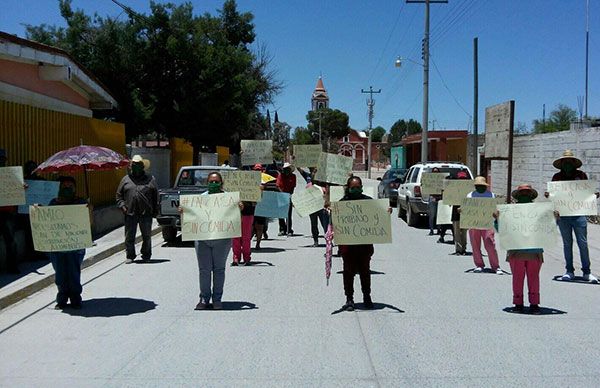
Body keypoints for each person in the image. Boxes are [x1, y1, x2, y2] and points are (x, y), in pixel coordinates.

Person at [546, 150, 599, 282]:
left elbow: (586, 192)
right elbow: (554, 197)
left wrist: (593, 195)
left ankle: (587, 272)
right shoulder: (556, 178)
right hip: (563, 216)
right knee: (567, 243)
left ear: (574, 164)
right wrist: (549, 195)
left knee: (583, 243)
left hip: (579, 214)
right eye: (565, 162)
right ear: (562, 164)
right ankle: (569, 270)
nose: (567, 164)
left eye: (570, 162)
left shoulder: (581, 176)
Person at [190, 172, 238, 310]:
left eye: (216, 181)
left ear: (221, 183)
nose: (213, 184)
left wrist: (238, 208)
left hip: (222, 240)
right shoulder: (201, 199)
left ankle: (217, 299)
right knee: (204, 270)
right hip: (203, 239)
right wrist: (184, 211)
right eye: (211, 181)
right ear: (207, 183)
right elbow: (193, 215)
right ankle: (204, 298)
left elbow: (234, 218)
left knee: (219, 269)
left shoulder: (228, 199)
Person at [494, 184, 545, 313]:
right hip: (516, 250)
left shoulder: (539, 211)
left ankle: (534, 304)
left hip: (534, 250)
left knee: (534, 278)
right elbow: (501, 229)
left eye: (527, 193)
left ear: (531, 195)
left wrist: (554, 218)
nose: (524, 195)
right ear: (518, 196)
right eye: (522, 193)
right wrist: (497, 219)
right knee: (517, 278)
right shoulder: (509, 211)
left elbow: (547, 228)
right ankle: (518, 303)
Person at [46, 176, 88, 309]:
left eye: (70, 186)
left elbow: (88, 223)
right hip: (57, 247)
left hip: (75, 246)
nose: (67, 189)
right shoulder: (53, 203)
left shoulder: (81, 202)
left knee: (74, 272)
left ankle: (76, 297)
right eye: (64, 186)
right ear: (59, 189)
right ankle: (62, 298)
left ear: (75, 188)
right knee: (60, 272)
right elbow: (46, 220)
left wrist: (90, 209)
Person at [338, 176, 376, 311]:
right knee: (348, 272)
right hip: (348, 246)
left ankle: (367, 297)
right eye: (353, 187)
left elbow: (378, 216)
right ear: (348, 188)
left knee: (365, 271)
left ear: (362, 188)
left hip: (364, 245)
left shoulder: (368, 202)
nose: (356, 190)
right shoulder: (342, 203)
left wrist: (386, 211)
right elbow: (336, 222)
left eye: (358, 187)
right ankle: (349, 299)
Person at [116, 155, 158, 264]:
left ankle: (146, 254)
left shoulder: (150, 179)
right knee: (129, 236)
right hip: (130, 213)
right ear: (131, 166)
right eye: (134, 165)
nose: (136, 167)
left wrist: (155, 211)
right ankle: (130, 255)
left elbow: (155, 196)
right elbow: (118, 196)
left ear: (143, 166)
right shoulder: (125, 179)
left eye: (138, 165)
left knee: (147, 236)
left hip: (146, 213)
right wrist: (122, 206)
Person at [467, 176, 502, 274]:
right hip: (474, 224)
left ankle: (495, 266)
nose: (480, 187)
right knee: (475, 246)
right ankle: (479, 265)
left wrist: (496, 214)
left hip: (487, 224)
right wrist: (462, 210)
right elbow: (466, 208)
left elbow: (496, 208)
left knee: (490, 245)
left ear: (485, 186)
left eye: (482, 186)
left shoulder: (491, 195)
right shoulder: (470, 195)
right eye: (478, 186)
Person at [0, 148, 21, 274]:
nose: (1, 162)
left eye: (2, 160)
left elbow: (19, 190)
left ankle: (12, 266)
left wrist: (22, 188)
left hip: (8, 213)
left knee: (11, 241)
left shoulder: (12, 175)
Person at [298, 167, 330, 247]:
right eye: (313, 177)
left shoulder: (324, 187)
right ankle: (315, 241)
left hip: (322, 208)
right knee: (314, 225)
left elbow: (327, 196)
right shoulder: (309, 186)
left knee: (325, 225)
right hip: (312, 208)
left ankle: (329, 240)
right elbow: (305, 197)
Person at [232, 199, 255, 266]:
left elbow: (258, 195)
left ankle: (247, 257)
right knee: (235, 236)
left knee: (246, 237)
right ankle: (236, 257)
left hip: (248, 210)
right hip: (234, 211)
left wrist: (257, 197)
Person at [276, 162, 296, 236]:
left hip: (289, 196)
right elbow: (278, 186)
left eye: (288, 169)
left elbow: (293, 186)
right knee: (280, 214)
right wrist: (283, 195)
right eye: (285, 169)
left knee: (288, 214)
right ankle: (282, 229)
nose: (286, 170)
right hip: (281, 196)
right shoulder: (281, 176)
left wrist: (289, 194)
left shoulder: (293, 176)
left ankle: (289, 229)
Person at [427, 167, 442, 235]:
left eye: (437, 172)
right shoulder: (429, 180)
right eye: (434, 172)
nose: (435, 173)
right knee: (432, 215)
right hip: (432, 198)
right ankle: (431, 229)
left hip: (440, 199)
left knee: (439, 216)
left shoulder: (442, 181)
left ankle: (439, 229)